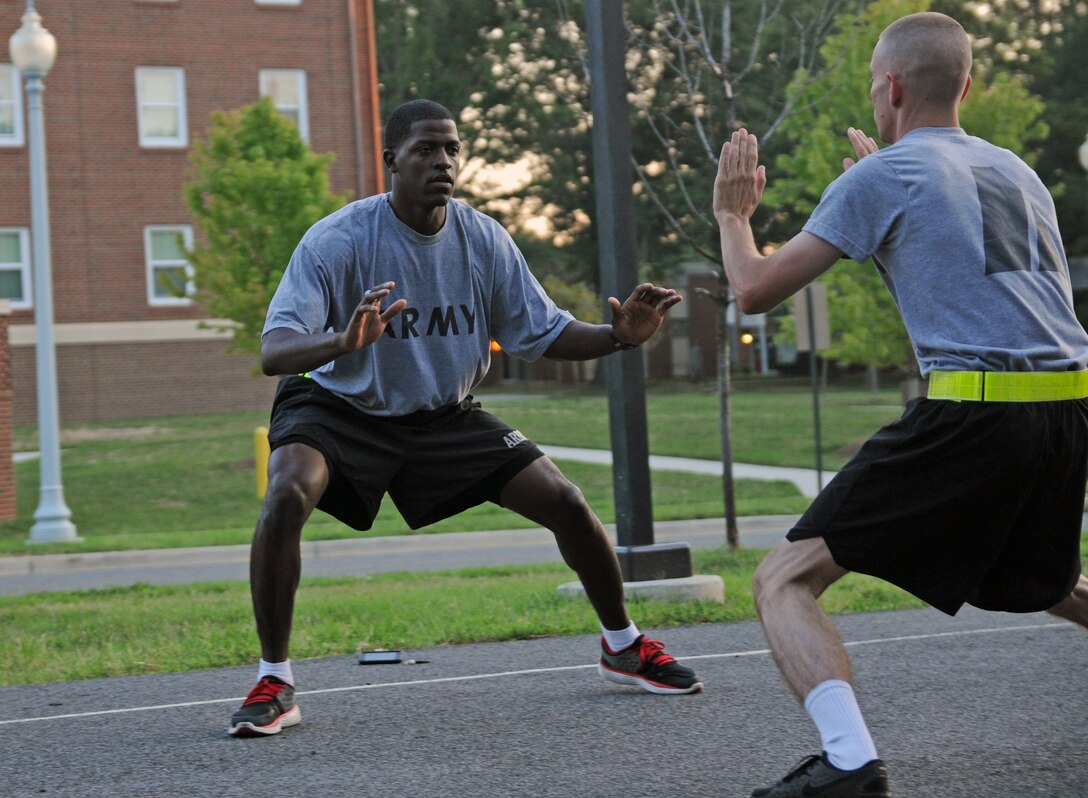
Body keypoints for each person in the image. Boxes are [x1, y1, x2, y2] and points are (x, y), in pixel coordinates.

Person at [228, 99, 701, 737]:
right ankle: (275, 681)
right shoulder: (339, 239)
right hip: (339, 405)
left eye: (452, 148)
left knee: (563, 498)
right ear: (392, 159)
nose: (444, 161)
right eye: (426, 149)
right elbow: (274, 350)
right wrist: (342, 340)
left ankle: (623, 645)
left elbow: (544, 332)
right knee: (286, 491)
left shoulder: (482, 238)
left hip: (442, 415)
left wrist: (617, 337)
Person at [713, 12, 1088, 798]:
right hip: (1063, 408)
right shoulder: (1014, 170)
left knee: (784, 580)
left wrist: (733, 215)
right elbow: (952, 282)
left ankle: (849, 764)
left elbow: (751, 292)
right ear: (967, 85)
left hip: (976, 414)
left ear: (888, 88)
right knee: (1035, 581)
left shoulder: (881, 178)